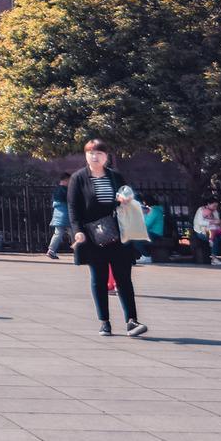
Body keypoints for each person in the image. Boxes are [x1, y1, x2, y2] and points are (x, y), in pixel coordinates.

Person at [69, 138, 148, 336]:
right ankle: (104, 321)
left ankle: (132, 320)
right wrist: (77, 230)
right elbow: (73, 207)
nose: (95, 157)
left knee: (124, 278)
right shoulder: (78, 178)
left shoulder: (115, 176)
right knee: (99, 278)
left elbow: (126, 194)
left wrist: (125, 199)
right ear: (86, 155)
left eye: (99, 153)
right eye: (91, 153)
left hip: (118, 233)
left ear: (106, 156)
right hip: (93, 235)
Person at [192, 195, 221, 265]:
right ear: (208, 204)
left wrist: (218, 223)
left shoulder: (215, 211)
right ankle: (214, 258)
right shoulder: (201, 210)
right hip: (202, 231)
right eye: (214, 206)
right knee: (214, 239)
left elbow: (218, 221)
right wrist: (211, 222)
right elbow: (200, 222)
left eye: (216, 206)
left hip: (215, 229)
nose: (215, 208)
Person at [48, 174, 72, 259]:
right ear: (65, 180)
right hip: (66, 215)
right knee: (74, 233)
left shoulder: (56, 190)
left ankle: (51, 250)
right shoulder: (66, 190)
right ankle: (79, 250)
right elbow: (71, 201)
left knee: (58, 233)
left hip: (58, 215)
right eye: (69, 180)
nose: (70, 182)